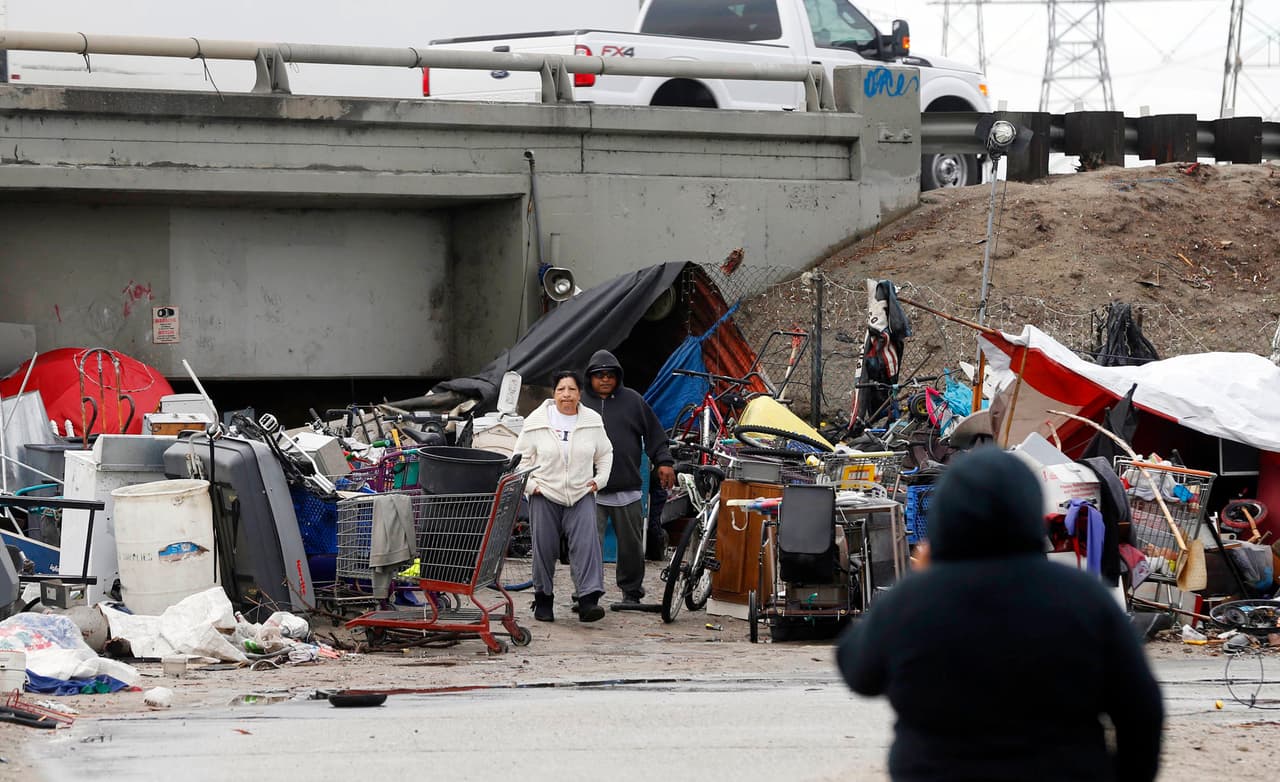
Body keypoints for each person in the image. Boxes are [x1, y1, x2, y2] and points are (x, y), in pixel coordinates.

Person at [836, 447, 1163, 782]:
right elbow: (1141, 709)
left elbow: (859, 671)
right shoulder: (1085, 599)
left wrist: (924, 578)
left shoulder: (912, 602)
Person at [514, 370, 613, 623]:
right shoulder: (536, 421)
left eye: (571, 390)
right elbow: (520, 460)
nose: (566, 395)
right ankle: (544, 598)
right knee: (544, 547)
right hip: (545, 492)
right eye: (561, 390)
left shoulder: (592, 420)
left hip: (581, 492)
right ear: (553, 393)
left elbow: (605, 453)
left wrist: (599, 481)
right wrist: (531, 485)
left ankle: (588, 599)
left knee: (586, 545)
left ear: (580, 393)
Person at [580, 350, 676, 605]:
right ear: (589, 377)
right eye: (598, 375)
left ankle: (631, 593)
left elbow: (655, 434)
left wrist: (664, 461)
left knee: (631, 547)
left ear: (618, 376)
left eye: (610, 375)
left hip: (627, 487)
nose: (604, 379)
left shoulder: (633, 400)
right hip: (588, 489)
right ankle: (586, 592)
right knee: (587, 545)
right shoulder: (578, 404)